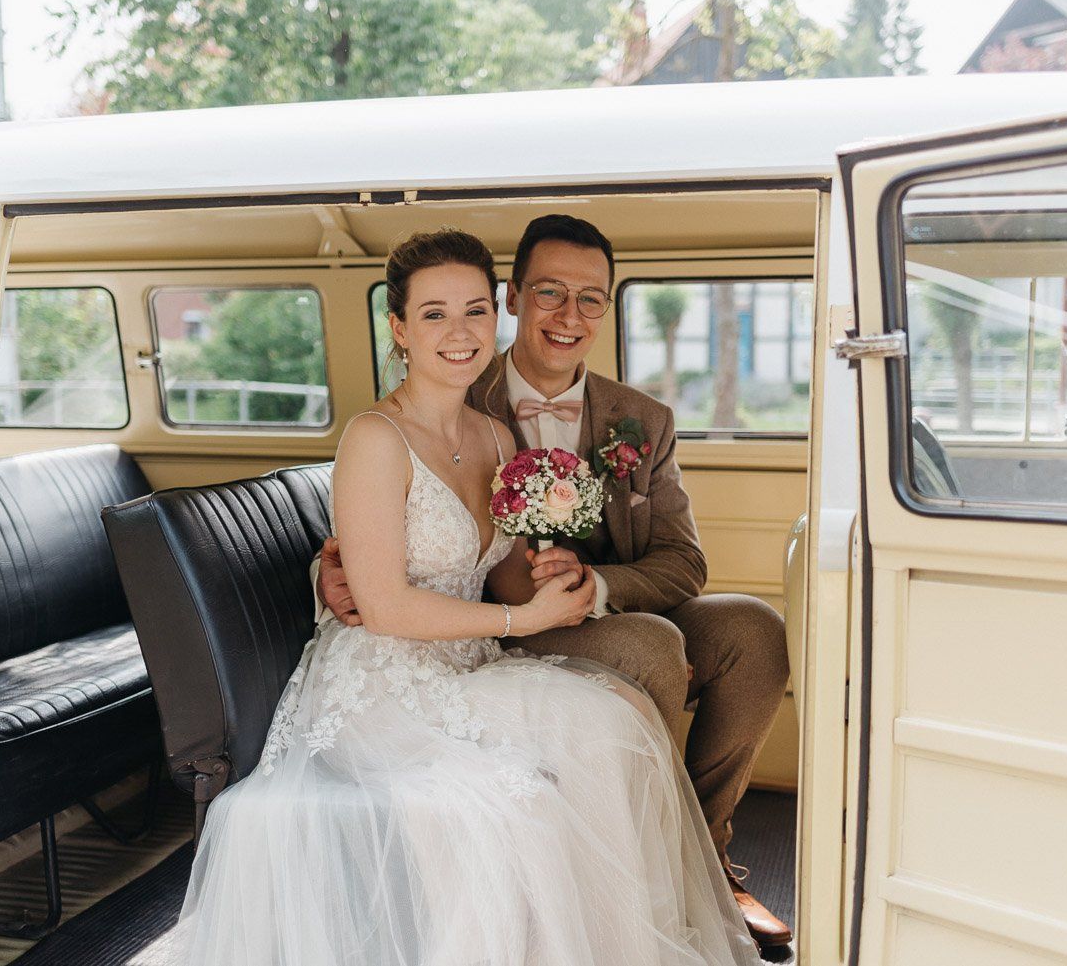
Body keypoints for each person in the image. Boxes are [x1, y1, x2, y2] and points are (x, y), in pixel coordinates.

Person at [175, 229, 762, 966]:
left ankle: (648, 922)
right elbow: (385, 606)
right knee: (524, 791)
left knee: (621, 719)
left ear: (495, 314)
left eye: (473, 311)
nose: (460, 332)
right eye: (435, 314)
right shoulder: (373, 436)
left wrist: (556, 577)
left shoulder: (494, 436)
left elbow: (507, 568)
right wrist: (524, 616)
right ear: (399, 328)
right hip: (386, 679)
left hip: (471, 660)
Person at [317, 214, 793, 948]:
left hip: (575, 602)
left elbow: (682, 562)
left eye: (590, 298)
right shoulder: (459, 390)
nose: (570, 315)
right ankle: (658, 867)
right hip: (485, 634)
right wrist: (325, 572)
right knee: (651, 645)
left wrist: (590, 586)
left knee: (753, 628)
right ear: (513, 298)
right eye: (549, 292)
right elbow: (383, 534)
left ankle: (706, 855)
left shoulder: (639, 419)